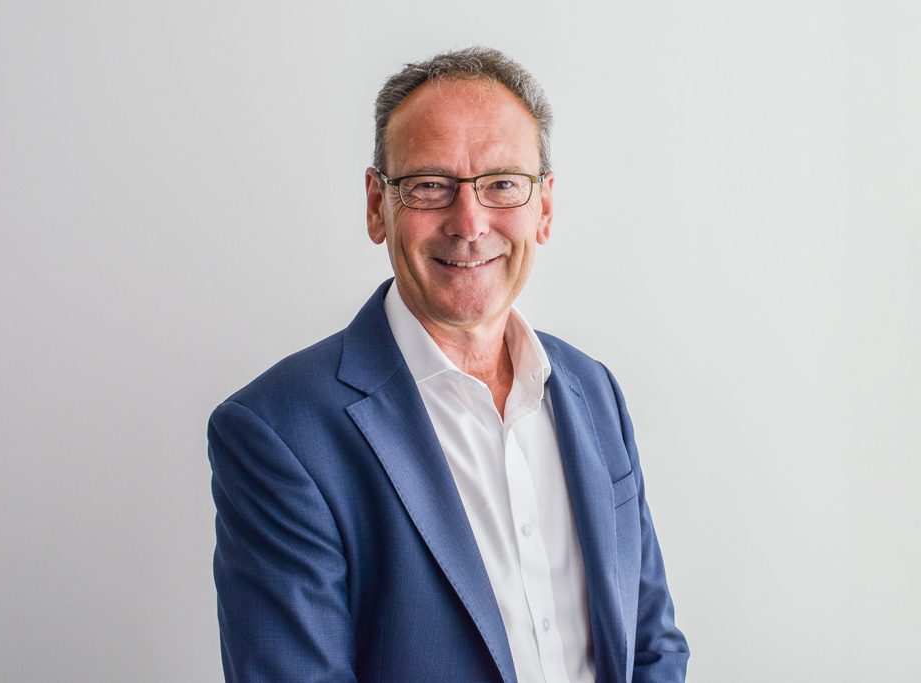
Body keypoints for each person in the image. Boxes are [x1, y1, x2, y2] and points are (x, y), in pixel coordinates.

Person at [208, 47, 689, 683]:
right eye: (430, 185)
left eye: (502, 184)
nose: (469, 223)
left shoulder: (594, 391)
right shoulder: (279, 432)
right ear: (379, 205)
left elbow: (651, 644)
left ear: (543, 207)